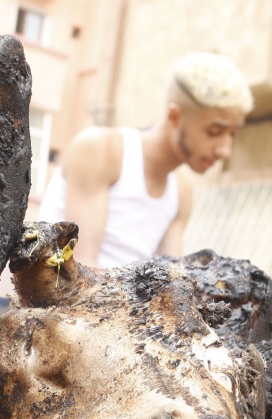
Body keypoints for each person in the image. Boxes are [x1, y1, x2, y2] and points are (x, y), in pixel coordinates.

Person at [37, 52, 252, 268]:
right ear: (174, 115)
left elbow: (171, 280)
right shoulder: (102, 150)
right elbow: (79, 270)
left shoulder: (181, 193)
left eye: (233, 134)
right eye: (215, 132)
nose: (225, 150)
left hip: (119, 291)